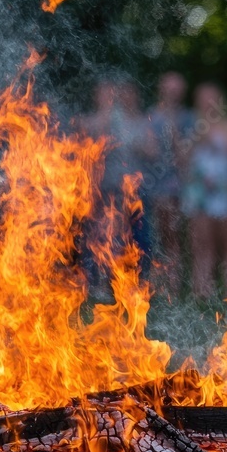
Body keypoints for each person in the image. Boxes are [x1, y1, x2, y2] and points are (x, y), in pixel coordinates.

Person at [78, 79, 156, 295]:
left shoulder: (140, 122)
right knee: (101, 236)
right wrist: (107, 113)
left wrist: (135, 143)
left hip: (135, 191)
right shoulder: (93, 120)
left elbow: (153, 151)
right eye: (106, 94)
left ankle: (135, 284)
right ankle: (99, 284)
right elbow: (88, 140)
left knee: (138, 237)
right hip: (103, 189)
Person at [182, 82, 227, 300]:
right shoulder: (190, 125)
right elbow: (180, 160)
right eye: (203, 97)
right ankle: (201, 290)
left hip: (225, 191)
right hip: (199, 191)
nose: (207, 102)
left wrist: (218, 138)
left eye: (212, 97)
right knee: (200, 243)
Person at [145, 72, 194, 298]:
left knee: (176, 237)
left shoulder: (190, 119)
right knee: (156, 237)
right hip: (152, 187)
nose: (173, 93)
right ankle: (156, 286)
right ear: (161, 89)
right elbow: (147, 153)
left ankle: (176, 288)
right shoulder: (151, 117)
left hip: (183, 188)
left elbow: (187, 157)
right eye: (169, 88)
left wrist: (175, 137)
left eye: (177, 89)